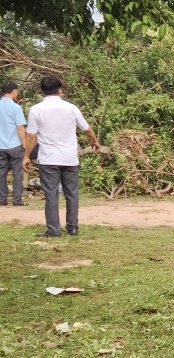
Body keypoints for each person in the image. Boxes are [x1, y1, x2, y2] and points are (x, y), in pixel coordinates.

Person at [22, 75, 100, 237]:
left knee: (51, 194)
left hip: (48, 158)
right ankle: (72, 227)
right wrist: (95, 141)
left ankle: (54, 229)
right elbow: (86, 129)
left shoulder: (36, 110)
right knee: (71, 193)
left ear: (42, 91)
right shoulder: (71, 108)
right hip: (69, 158)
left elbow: (31, 136)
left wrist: (26, 156)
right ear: (60, 90)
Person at [0, 81, 27, 206]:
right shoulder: (16, 107)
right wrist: (24, 143)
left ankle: (2, 199)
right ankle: (17, 200)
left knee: (1, 173)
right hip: (15, 144)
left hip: (1, 145)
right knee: (17, 172)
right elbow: (20, 127)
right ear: (13, 91)